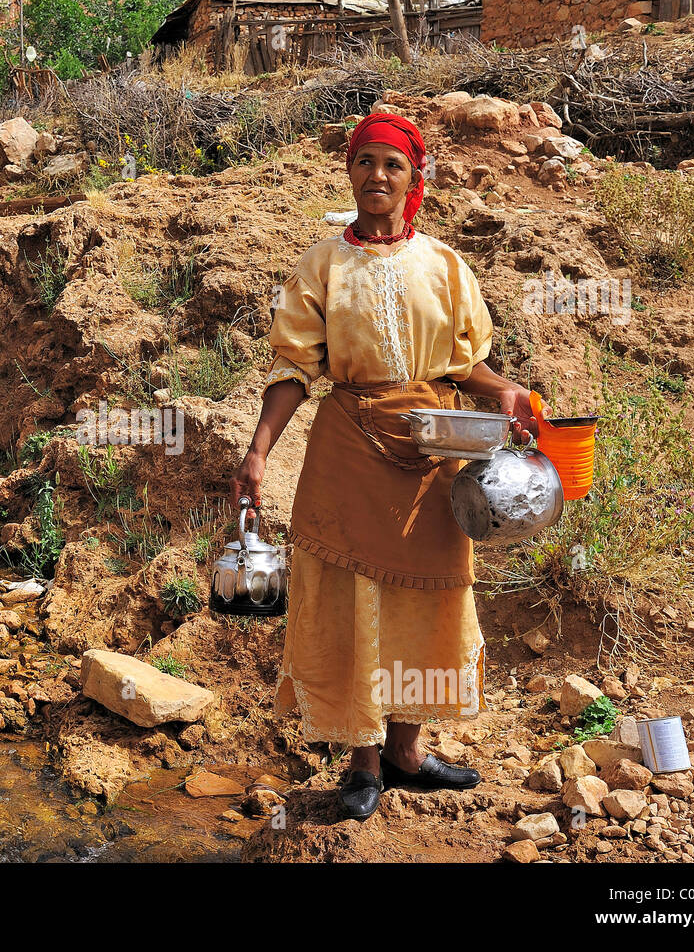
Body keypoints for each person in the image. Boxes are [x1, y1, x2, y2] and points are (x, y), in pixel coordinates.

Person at [231, 113, 545, 822]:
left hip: (434, 450)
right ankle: (363, 760)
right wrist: (258, 451)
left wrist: (509, 393)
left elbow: (468, 364)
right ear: (349, 172)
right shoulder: (321, 265)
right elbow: (292, 369)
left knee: (428, 597)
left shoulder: (444, 265)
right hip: (348, 446)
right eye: (365, 161)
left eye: (393, 164)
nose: (378, 175)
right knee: (352, 599)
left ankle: (407, 752)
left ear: (414, 179)